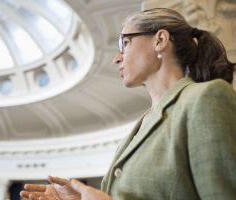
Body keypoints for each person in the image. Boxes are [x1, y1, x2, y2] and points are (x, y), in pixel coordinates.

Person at [20, 7, 236, 200]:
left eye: (124, 43)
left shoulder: (206, 98)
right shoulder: (140, 126)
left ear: (159, 40)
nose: (116, 58)